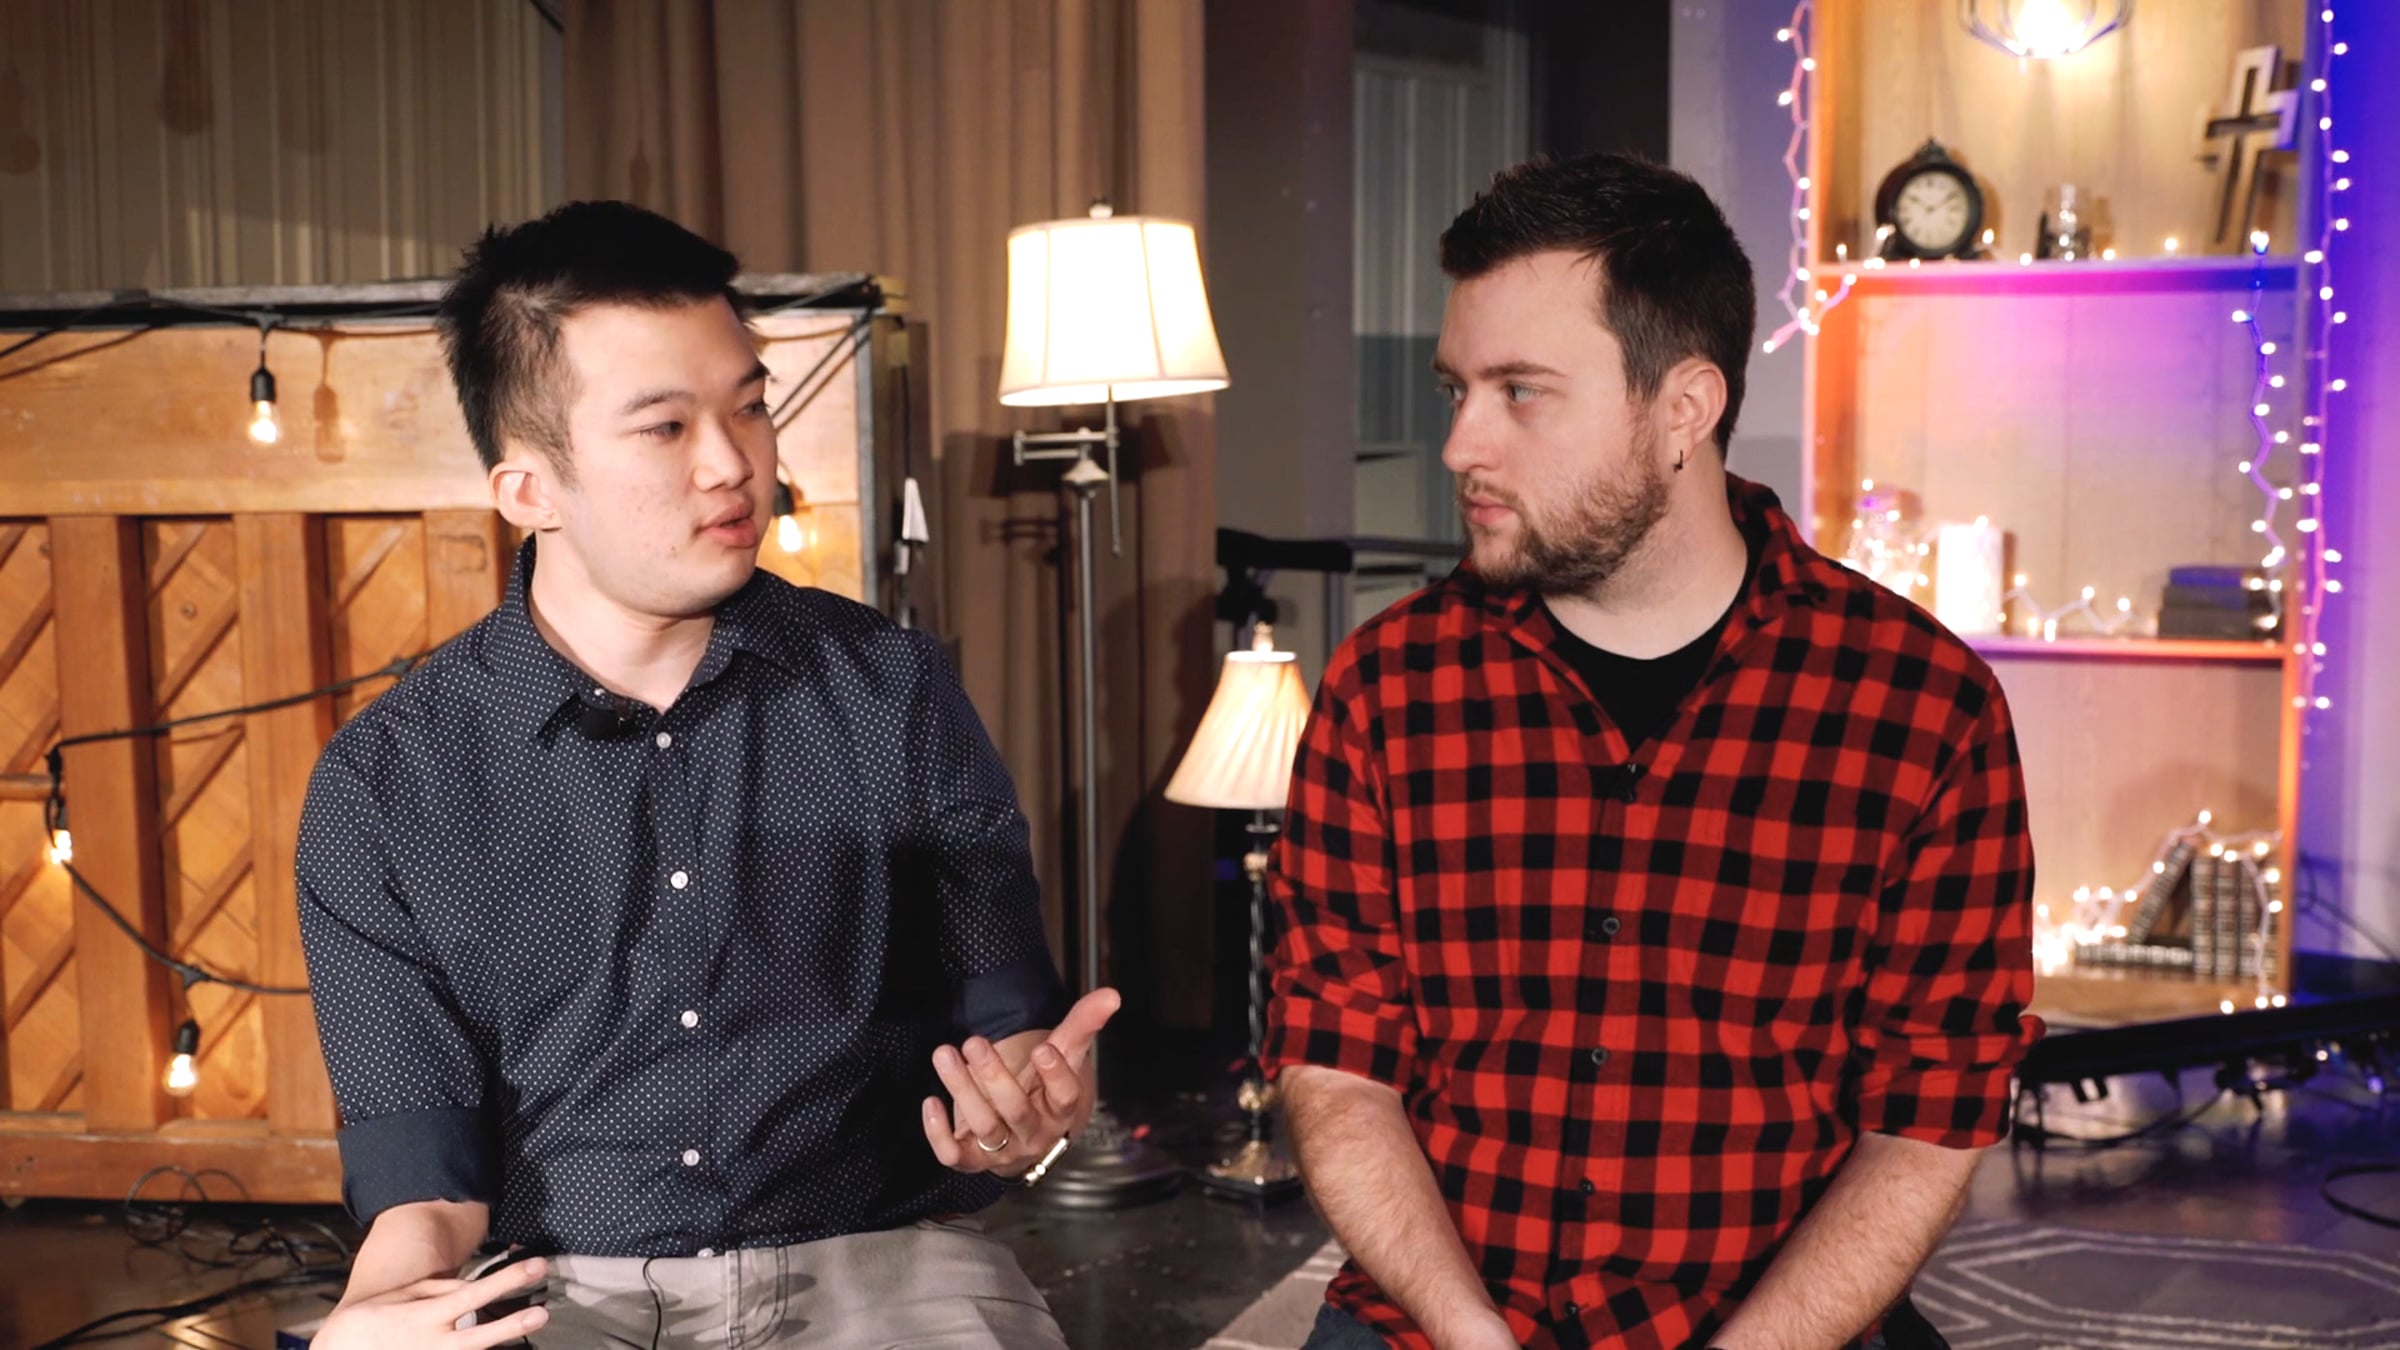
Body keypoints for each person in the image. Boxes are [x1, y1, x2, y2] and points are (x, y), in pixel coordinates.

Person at [1266, 153, 2038, 1350]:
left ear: (1684, 408)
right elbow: (1336, 1065)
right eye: (1456, 389)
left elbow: (1929, 1113)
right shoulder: (1386, 687)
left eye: (1521, 392)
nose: (1461, 445)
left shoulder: (1924, 707)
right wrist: (1467, 1330)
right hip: (1441, 1314)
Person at [296, 200, 1099, 1349]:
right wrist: (371, 1314)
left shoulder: (894, 692)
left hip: (883, 1264)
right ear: (529, 490)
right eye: (665, 427)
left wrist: (1023, 1107)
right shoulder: (386, 783)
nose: (734, 464)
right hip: (560, 1293)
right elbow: (424, 1181)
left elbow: (1009, 1028)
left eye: (750, 406)